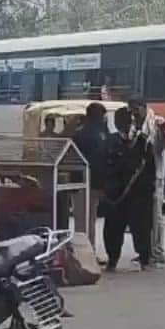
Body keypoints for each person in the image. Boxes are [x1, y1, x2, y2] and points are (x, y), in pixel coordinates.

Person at [103, 107, 154, 270]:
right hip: (116, 195)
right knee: (113, 229)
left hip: (139, 194)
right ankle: (112, 259)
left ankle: (145, 258)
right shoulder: (111, 142)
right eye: (122, 122)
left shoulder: (143, 142)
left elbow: (150, 170)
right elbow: (106, 168)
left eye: (129, 121)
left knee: (142, 227)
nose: (126, 125)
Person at [129, 97, 165, 268]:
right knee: (141, 218)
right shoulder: (133, 125)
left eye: (135, 109)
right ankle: (144, 251)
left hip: (155, 178)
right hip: (138, 179)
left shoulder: (157, 123)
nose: (133, 114)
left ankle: (157, 252)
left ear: (143, 108)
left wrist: (162, 132)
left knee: (155, 217)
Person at [74, 102, 109, 243]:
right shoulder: (98, 134)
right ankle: (86, 250)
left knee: (84, 219)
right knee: (88, 218)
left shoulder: (79, 134)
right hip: (90, 182)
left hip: (82, 181)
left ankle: (87, 250)